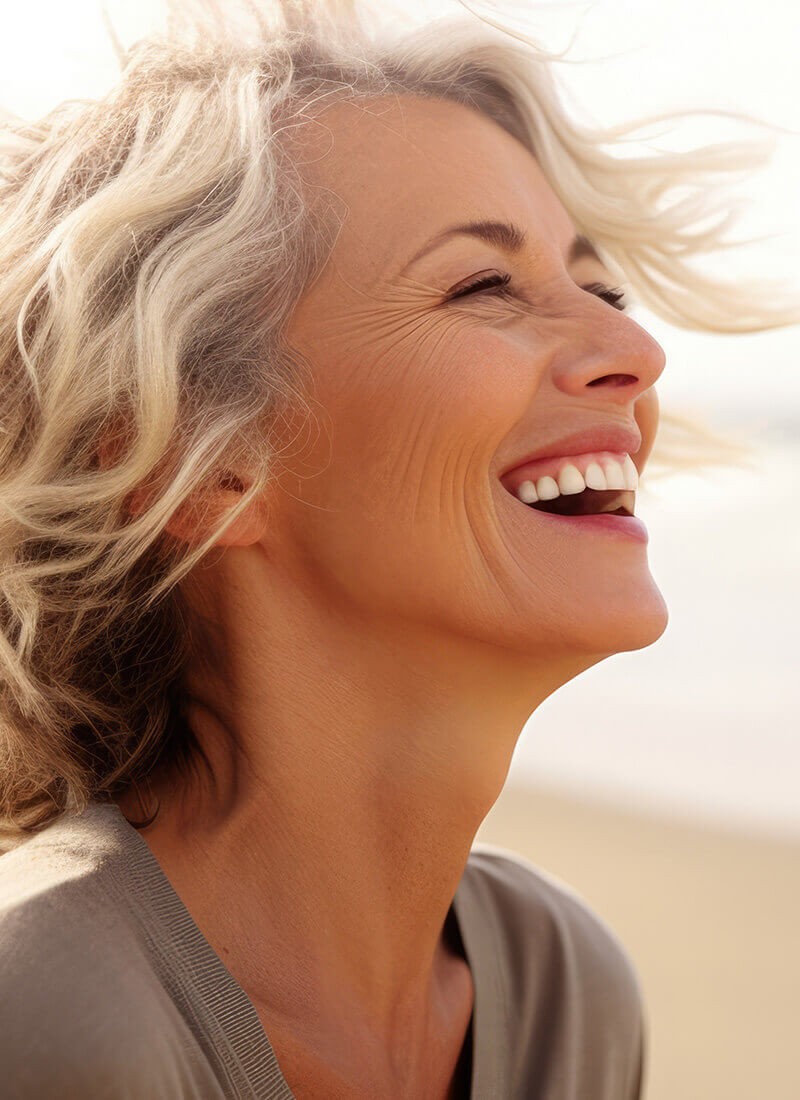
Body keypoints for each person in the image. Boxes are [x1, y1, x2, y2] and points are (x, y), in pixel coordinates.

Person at [0, 2, 794, 1097]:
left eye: (599, 289)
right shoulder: (48, 1011)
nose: (633, 347)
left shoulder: (564, 985)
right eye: (483, 286)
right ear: (195, 466)